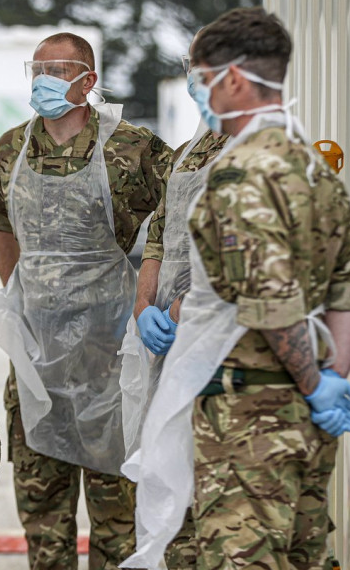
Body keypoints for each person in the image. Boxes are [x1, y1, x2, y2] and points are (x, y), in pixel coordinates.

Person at [122, 7, 350, 570]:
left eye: (204, 76)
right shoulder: (312, 166)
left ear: (233, 78)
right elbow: (349, 287)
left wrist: (311, 381)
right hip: (307, 416)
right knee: (305, 553)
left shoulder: (239, 175)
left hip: (245, 414)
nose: (200, 89)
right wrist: (328, 385)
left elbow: (270, 302)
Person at [0, 31, 172, 569]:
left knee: (117, 507)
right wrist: (18, 294)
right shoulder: (10, 148)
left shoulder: (132, 148)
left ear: (89, 80)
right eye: (37, 69)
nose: (44, 80)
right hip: (38, 352)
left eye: (59, 69)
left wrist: (152, 297)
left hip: (109, 354)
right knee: (43, 504)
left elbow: (177, 221)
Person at [118, 34, 228, 570]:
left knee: (213, 483)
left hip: (218, 340)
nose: (194, 77)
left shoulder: (254, 150)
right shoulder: (190, 150)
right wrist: (145, 307)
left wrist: (189, 309)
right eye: (191, 66)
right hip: (169, 338)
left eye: (203, 67)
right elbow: (157, 239)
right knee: (168, 477)